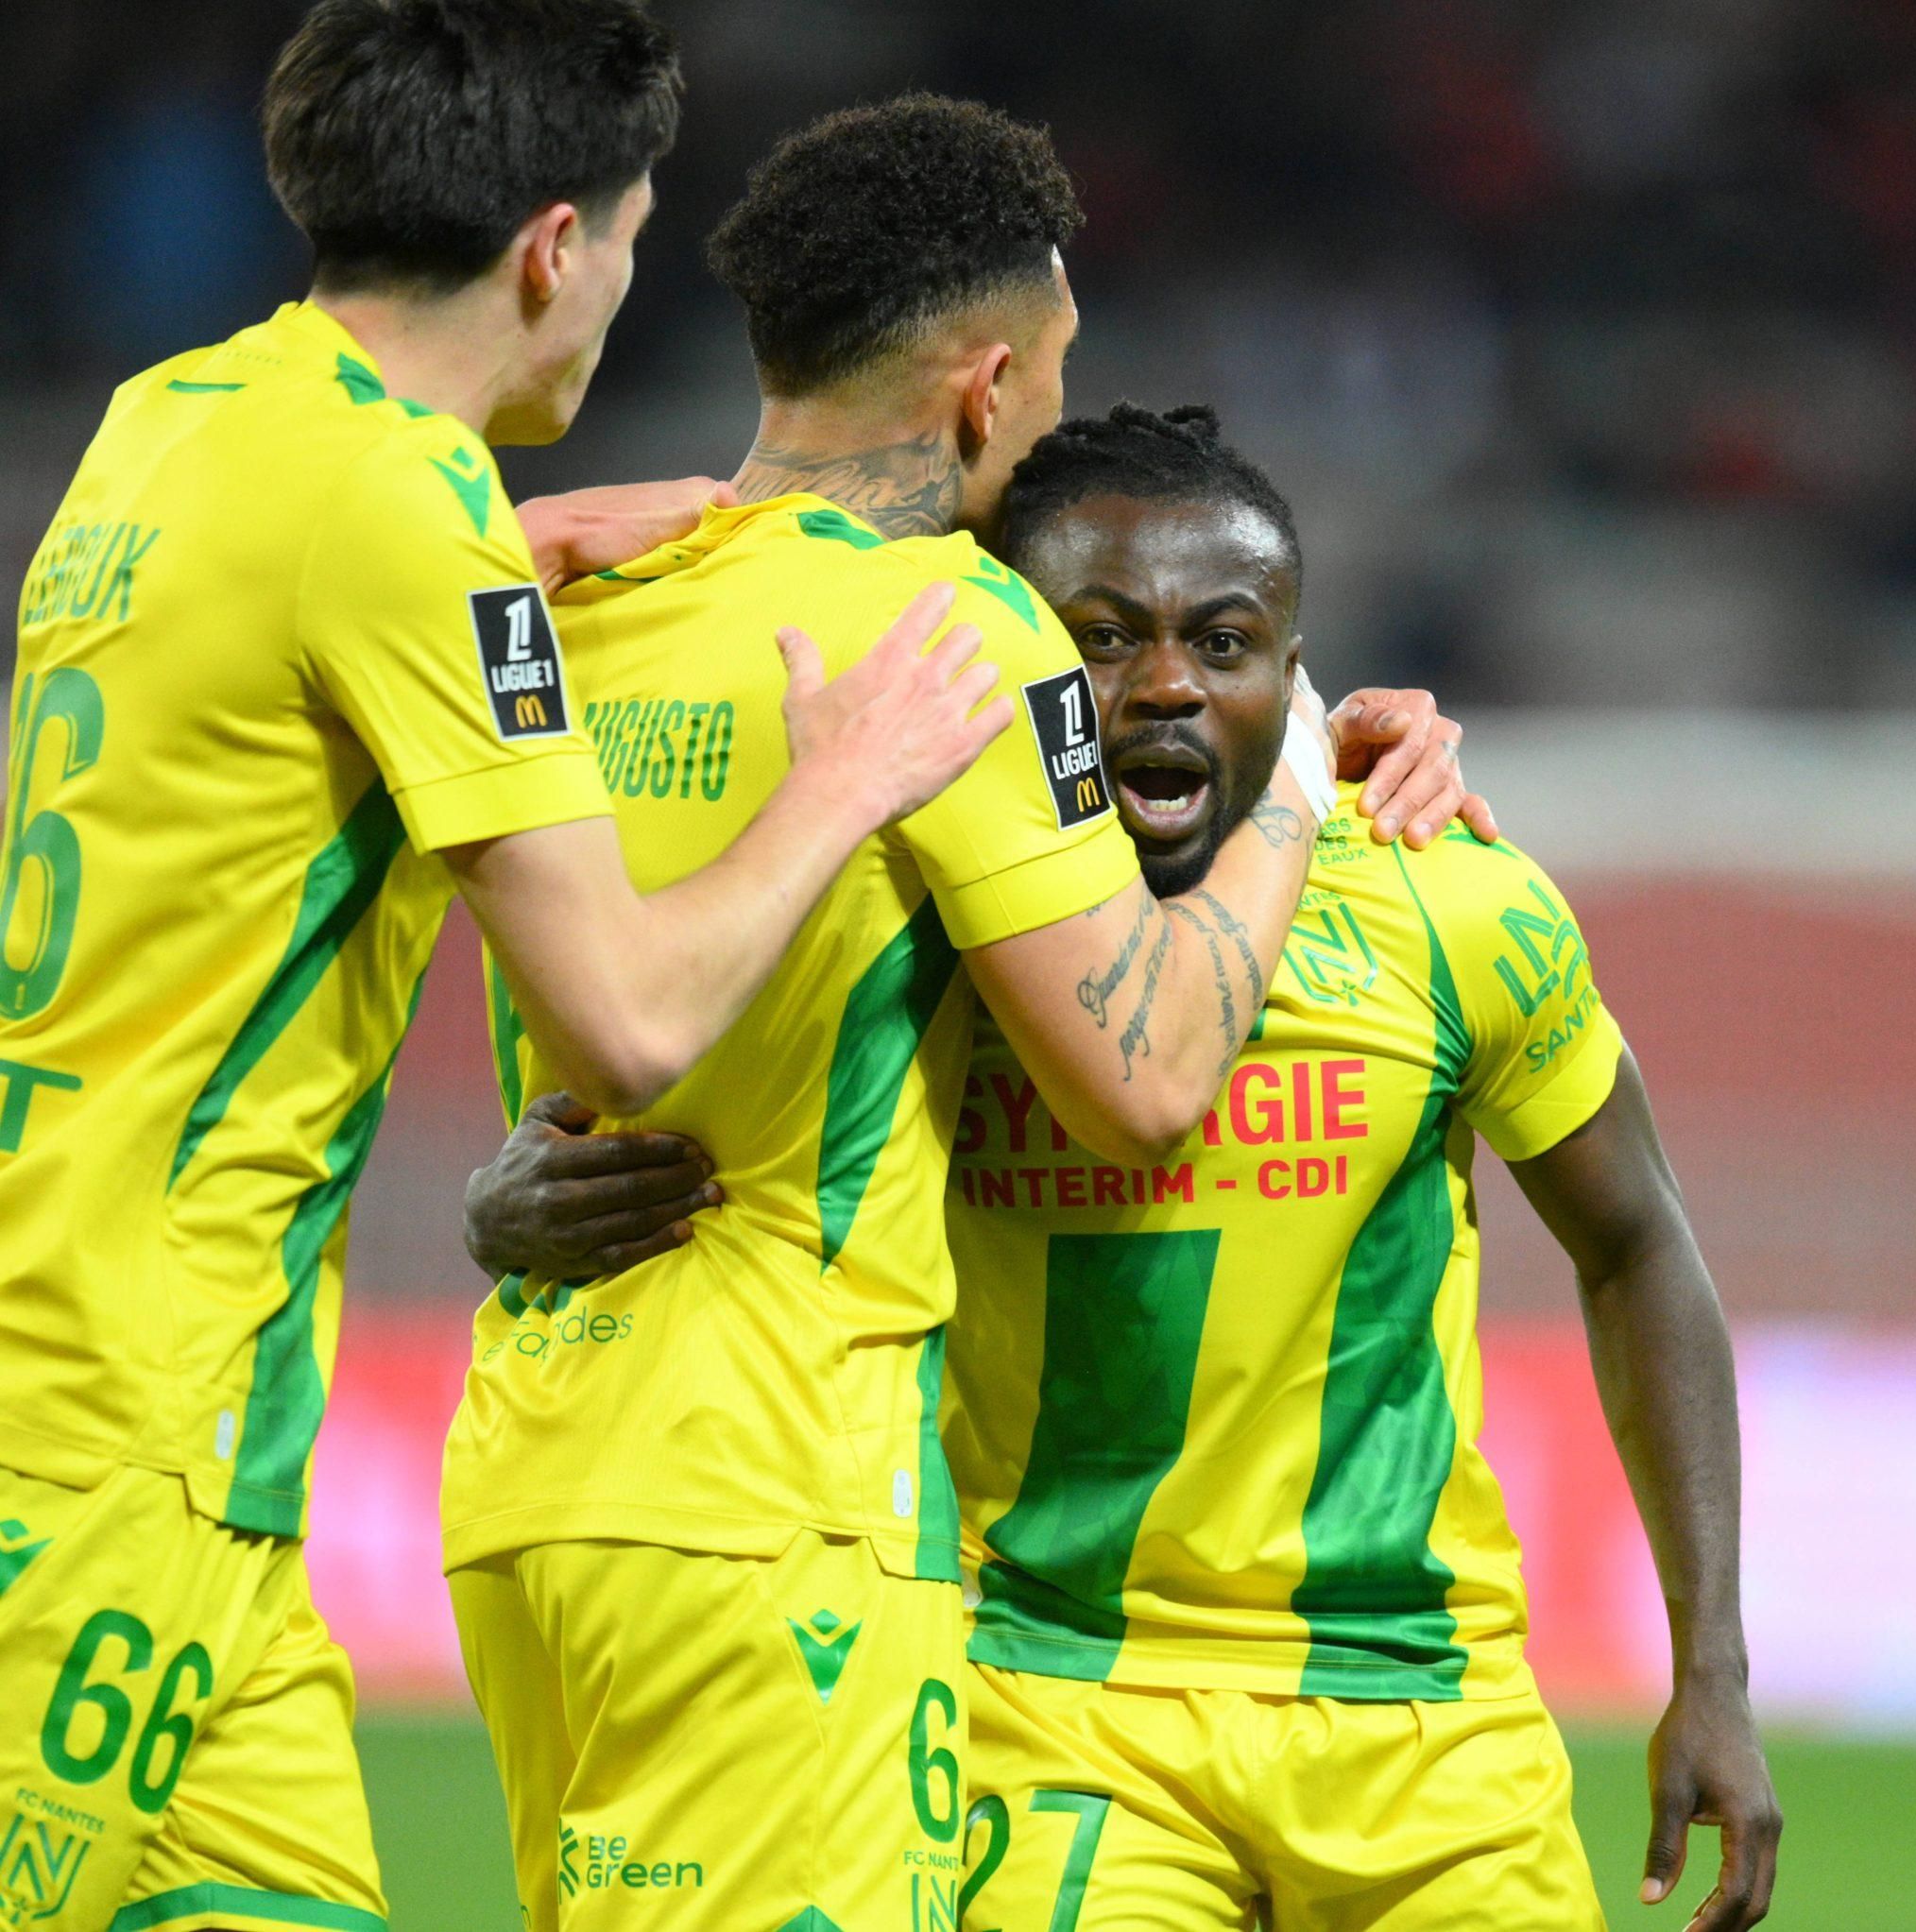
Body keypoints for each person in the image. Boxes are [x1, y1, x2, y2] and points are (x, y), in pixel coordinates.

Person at [474, 405, 1783, 1932]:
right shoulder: (936, 940)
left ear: (1292, 680)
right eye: (1096, 641)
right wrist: (500, 1207)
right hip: (1048, 1714)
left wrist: (1712, 1670)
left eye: (1224, 644)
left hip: (1429, 1720)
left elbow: (1639, 1242)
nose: (1162, 684)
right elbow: (690, 1130)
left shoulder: (1455, 907)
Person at [0, 7, 1008, 1929]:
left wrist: (508, 559)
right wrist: (845, 782)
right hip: (101, 1442)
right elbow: (628, 1023)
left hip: (171, 1439)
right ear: (557, 247)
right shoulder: (401, 510)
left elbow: (264, 670)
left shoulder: (176, 418)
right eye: (628, 243)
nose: (623, 292)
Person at [434, 97, 1475, 1932]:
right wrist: (1303, 771)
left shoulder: (569, 592)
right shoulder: (952, 639)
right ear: (985, 388)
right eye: (1057, 380)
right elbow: (1146, 1077)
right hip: (778, 1508)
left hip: (529, 1474)